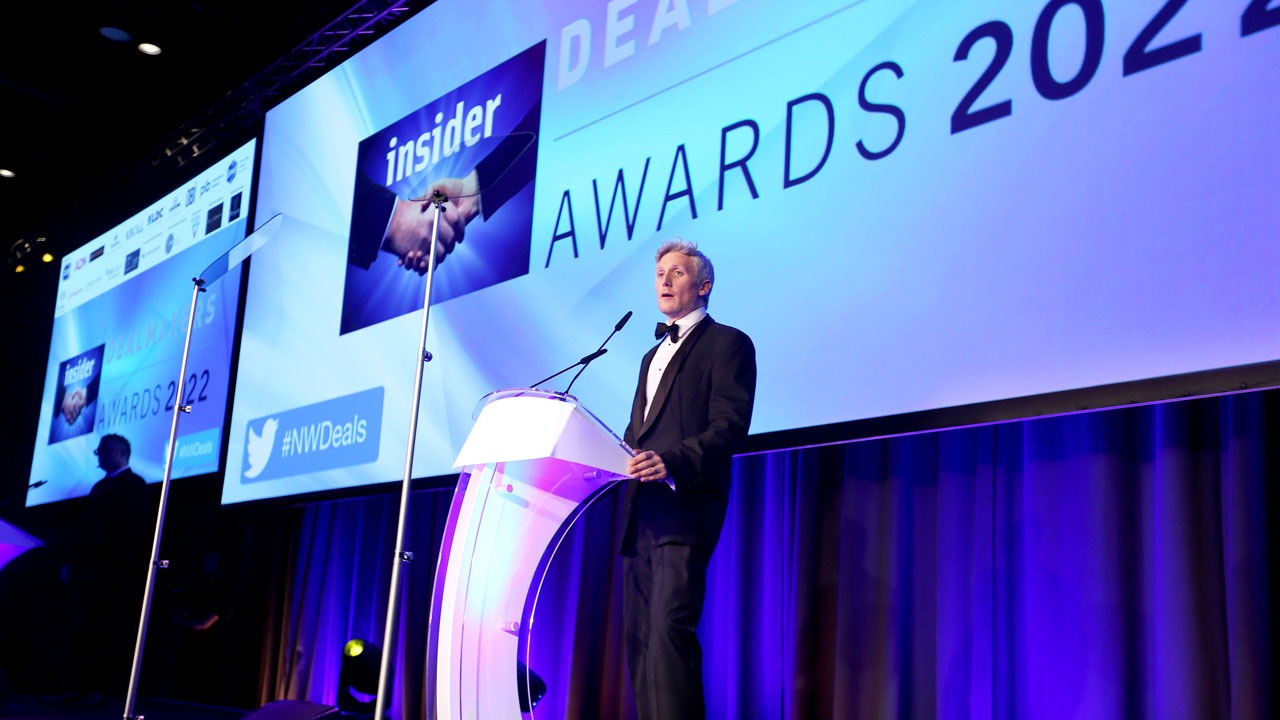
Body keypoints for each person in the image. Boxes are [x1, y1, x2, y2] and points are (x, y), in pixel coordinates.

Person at [620, 239, 757, 720]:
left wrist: (671, 462)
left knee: (667, 636)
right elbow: (637, 432)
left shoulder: (729, 344)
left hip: (685, 510)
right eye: (660, 273)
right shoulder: (649, 355)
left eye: (677, 272)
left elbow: (729, 425)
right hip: (641, 514)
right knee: (639, 643)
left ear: (704, 285)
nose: (664, 280)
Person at [63, 434, 152, 701]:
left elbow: (134, 531)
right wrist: (73, 562)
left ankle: (101, 689)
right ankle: (81, 688)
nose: (99, 455)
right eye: (98, 451)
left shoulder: (135, 485)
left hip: (114, 574)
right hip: (88, 572)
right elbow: (85, 532)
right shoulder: (98, 488)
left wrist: (119, 565)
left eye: (105, 450)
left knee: (105, 630)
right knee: (83, 629)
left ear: (123, 452)